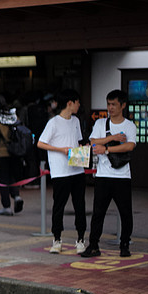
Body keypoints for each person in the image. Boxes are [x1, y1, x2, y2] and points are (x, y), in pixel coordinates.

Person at [81, 90, 137, 258]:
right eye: (108, 104)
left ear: (123, 105)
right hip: (103, 176)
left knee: (125, 213)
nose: (110, 108)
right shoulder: (100, 124)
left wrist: (105, 148)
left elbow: (129, 146)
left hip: (122, 176)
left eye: (114, 104)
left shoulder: (129, 125)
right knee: (98, 212)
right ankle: (93, 245)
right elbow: (91, 142)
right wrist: (111, 138)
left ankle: (125, 244)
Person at [37, 89, 87, 254]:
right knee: (59, 206)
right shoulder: (53, 122)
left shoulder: (76, 121)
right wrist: (61, 149)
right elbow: (41, 143)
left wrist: (83, 150)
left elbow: (78, 141)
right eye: (77, 102)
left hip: (77, 169)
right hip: (60, 171)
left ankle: (80, 239)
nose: (79, 105)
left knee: (80, 206)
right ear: (70, 103)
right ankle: (56, 239)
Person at [0, 94, 24, 216]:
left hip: (1, 154)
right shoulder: (13, 117)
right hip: (15, 152)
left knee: (3, 180)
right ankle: (17, 196)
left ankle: (6, 206)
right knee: (12, 177)